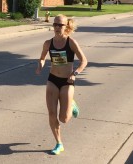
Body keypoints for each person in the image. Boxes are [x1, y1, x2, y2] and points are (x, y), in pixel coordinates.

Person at [35, 14, 88, 155]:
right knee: (52, 113)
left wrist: (74, 74)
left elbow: (84, 61)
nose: (57, 27)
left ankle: (71, 104)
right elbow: (42, 58)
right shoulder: (48, 43)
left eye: (61, 25)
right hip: (52, 80)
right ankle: (59, 143)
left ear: (66, 26)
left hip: (67, 82)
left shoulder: (71, 42)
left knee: (64, 119)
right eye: (55, 24)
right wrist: (40, 65)